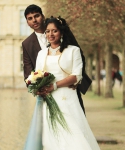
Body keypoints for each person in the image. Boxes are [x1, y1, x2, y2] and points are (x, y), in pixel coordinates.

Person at [34, 16, 100, 150]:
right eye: (47, 31)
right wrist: (37, 88)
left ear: (62, 32)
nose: (50, 34)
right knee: (51, 138)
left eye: (54, 31)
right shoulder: (41, 54)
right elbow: (37, 75)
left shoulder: (73, 51)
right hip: (48, 100)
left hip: (67, 98)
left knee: (72, 135)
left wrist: (55, 86)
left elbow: (76, 75)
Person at [22, 4, 91, 114]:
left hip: (69, 88)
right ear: (27, 22)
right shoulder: (26, 44)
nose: (34, 20)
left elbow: (79, 56)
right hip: (47, 94)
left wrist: (77, 79)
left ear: (43, 16)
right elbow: (28, 73)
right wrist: (37, 88)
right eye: (30, 18)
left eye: (36, 16)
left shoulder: (60, 29)